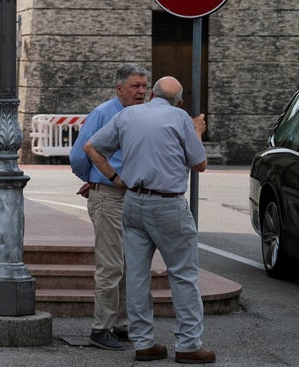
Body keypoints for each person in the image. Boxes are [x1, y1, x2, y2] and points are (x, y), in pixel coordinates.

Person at [83, 76, 215, 364]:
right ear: (179, 101)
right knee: (183, 275)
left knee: (137, 276)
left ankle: (143, 343)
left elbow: (91, 148)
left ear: (152, 94)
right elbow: (200, 164)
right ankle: (189, 344)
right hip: (168, 204)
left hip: (133, 201)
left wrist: (116, 178)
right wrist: (197, 131)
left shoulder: (127, 115)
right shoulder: (180, 118)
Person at [69, 63, 149, 350]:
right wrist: (95, 178)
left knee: (130, 264)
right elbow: (79, 154)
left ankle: (120, 325)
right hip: (110, 197)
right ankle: (100, 328)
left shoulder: (143, 115)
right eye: (135, 86)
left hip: (133, 197)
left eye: (144, 86)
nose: (141, 92)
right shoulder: (104, 113)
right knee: (111, 265)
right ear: (119, 89)